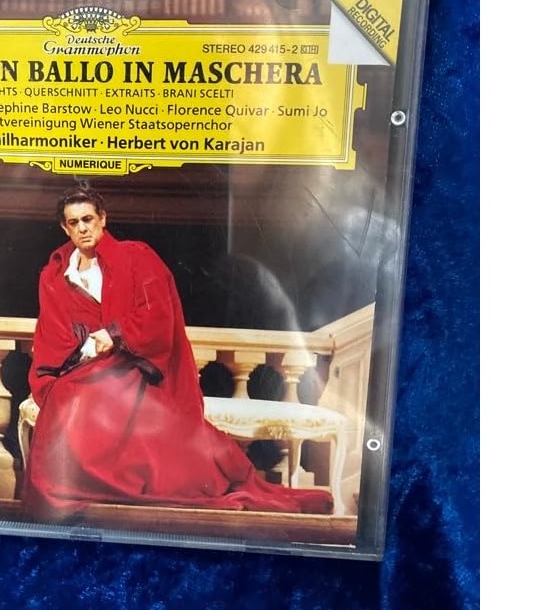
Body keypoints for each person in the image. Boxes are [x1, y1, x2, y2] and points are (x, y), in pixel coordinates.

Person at [22, 187, 334, 518]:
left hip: (133, 363)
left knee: (100, 398)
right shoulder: (56, 276)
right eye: (74, 222)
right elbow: (53, 332)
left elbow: (158, 313)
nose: (83, 228)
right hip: (84, 366)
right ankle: (82, 488)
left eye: (88, 219)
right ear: (65, 228)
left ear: (102, 219)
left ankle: (119, 486)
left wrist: (115, 334)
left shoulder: (136, 257)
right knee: (65, 397)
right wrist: (80, 354)